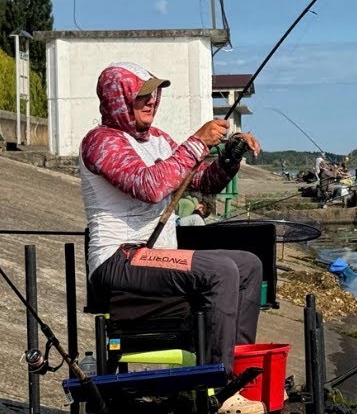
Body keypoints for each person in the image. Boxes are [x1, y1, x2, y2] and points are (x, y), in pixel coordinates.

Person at [80, 62, 265, 413]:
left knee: (248, 265)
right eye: (141, 96)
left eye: (154, 94)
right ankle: (217, 389)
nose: (151, 102)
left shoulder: (159, 141)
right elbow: (150, 186)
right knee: (222, 270)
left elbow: (203, 183)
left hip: (153, 258)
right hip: (118, 259)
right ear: (117, 98)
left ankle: (238, 379)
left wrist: (230, 156)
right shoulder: (100, 142)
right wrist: (196, 143)